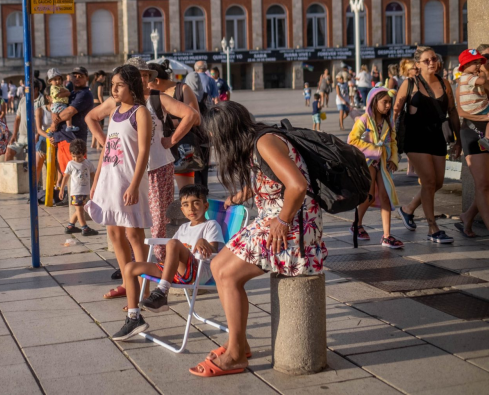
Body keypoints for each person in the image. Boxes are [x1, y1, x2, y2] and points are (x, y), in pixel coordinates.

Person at [190, 101, 327, 378]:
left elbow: (297, 185)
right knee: (218, 266)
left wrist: (283, 221)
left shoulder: (265, 143)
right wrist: (240, 196)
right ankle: (239, 342)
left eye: (214, 134)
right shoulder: (256, 141)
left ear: (227, 131)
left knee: (227, 275)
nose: (213, 140)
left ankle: (236, 355)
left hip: (293, 228)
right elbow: (271, 178)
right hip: (274, 220)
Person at [88, 58, 199, 270]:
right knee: (126, 225)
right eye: (140, 74)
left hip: (157, 166)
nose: (144, 79)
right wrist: (105, 143)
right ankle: (133, 271)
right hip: (126, 170)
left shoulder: (157, 98)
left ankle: (162, 268)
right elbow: (91, 118)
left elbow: (191, 114)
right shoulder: (117, 102)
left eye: (147, 75)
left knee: (158, 222)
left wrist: (172, 140)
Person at [113, 184, 223, 341]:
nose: (191, 208)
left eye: (196, 203)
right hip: (178, 271)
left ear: (205, 206)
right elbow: (174, 251)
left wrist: (203, 242)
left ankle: (162, 292)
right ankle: (134, 318)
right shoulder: (184, 227)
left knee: (173, 243)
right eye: (186, 205)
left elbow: (214, 251)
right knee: (130, 267)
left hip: (198, 272)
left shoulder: (211, 225)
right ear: (182, 210)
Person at [85, 65, 152, 301]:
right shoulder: (114, 111)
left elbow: (143, 152)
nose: (113, 89)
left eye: (119, 85)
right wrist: (96, 181)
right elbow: (107, 149)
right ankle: (127, 283)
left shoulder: (140, 113)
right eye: (112, 85)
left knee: (134, 234)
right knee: (114, 233)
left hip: (129, 180)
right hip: (109, 179)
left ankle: (143, 288)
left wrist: (134, 185)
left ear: (132, 86)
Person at [393, 46, 461, 244]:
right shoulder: (410, 84)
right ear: (418, 64)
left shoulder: (444, 83)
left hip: (437, 138)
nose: (432, 63)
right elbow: (395, 111)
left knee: (438, 183)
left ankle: (408, 209)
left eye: (434, 59)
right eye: (427, 60)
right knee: (429, 181)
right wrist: (388, 139)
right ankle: (433, 228)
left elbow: (452, 111)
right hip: (415, 139)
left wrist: (458, 140)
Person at [348, 88, 404, 248]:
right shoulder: (364, 120)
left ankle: (386, 236)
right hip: (367, 162)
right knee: (370, 196)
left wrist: (393, 158)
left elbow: (393, 141)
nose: (388, 105)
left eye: (389, 102)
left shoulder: (388, 122)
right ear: (374, 102)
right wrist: (375, 150)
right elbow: (352, 140)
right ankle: (357, 224)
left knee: (386, 195)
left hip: (383, 163)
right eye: (384, 102)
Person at [148, 60, 202, 191]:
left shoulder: (183, 89)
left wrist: (170, 123)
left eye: (147, 82)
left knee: (186, 190)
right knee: (162, 192)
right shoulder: (154, 96)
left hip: (182, 147)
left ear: (157, 81)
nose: (146, 87)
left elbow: (196, 119)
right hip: (160, 149)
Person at [456, 44, 489, 237]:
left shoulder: (483, 81)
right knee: (483, 184)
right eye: (482, 59)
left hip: (486, 129)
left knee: (486, 184)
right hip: (472, 132)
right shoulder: (466, 81)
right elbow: (461, 112)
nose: (482, 63)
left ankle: (467, 216)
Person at [50, 67, 95, 177]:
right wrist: (54, 134)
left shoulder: (84, 94)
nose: (77, 78)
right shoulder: (71, 91)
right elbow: (55, 105)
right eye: (74, 76)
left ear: (87, 78)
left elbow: (69, 112)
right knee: (65, 175)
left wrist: (54, 123)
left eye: (80, 76)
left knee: (76, 177)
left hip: (74, 141)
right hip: (62, 139)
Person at [60, 139, 98, 236]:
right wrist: (61, 189)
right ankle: (84, 228)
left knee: (80, 209)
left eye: (79, 157)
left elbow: (93, 174)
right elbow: (66, 177)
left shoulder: (88, 163)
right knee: (80, 210)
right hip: (76, 192)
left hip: (85, 191)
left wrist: (96, 185)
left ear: (84, 154)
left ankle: (70, 226)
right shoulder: (71, 164)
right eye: (73, 156)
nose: (76, 159)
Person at [4, 80, 43, 162]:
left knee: (33, 157)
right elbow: (17, 118)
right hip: (21, 136)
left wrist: (38, 135)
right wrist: (14, 134)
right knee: (9, 151)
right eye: (25, 88)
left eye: (28, 89)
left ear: (36, 89)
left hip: (36, 136)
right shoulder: (23, 100)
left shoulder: (42, 100)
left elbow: (45, 120)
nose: (26, 91)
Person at [90, 71, 107, 149]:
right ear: (101, 76)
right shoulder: (99, 84)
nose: (104, 79)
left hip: (93, 105)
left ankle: (93, 144)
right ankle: (98, 145)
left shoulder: (92, 83)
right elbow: (100, 95)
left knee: (95, 126)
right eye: (104, 77)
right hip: (98, 104)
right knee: (100, 126)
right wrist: (103, 106)